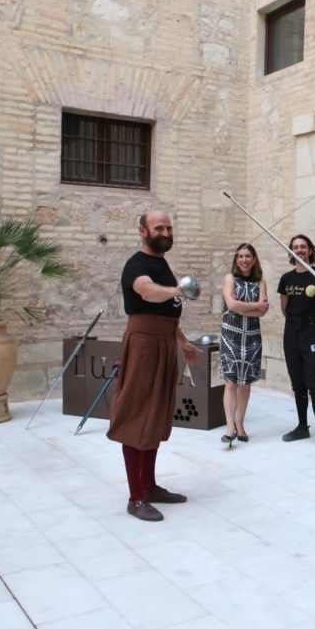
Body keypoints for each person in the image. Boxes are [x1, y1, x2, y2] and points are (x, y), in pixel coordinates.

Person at [107, 209, 200, 522]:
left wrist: (182, 340)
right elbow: (146, 290)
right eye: (159, 227)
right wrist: (176, 290)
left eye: (169, 227)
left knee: (157, 414)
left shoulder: (161, 263)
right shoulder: (137, 264)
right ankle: (135, 498)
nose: (166, 232)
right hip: (144, 344)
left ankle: (149, 485)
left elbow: (168, 312)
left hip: (163, 342)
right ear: (142, 231)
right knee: (137, 416)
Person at [277, 234, 315, 449]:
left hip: (311, 333)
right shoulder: (286, 279)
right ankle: (302, 426)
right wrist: (296, 323)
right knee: (297, 383)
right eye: (295, 247)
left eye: (303, 246)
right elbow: (284, 308)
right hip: (291, 333)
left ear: (310, 250)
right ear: (291, 251)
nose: (299, 250)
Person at [220, 243, 269, 446]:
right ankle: (230, 427)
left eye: (248, 256)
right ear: (236, 259)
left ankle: (240, 424)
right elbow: (230, 306)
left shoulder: (260, 282)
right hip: (231, 336)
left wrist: (243, 307)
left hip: (252, 337)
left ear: (254, 259)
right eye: (240, 256)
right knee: (231, 382)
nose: (244, 260)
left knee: (246, 383)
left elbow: (263, 311)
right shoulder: (229, 279)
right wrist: (254, 306)